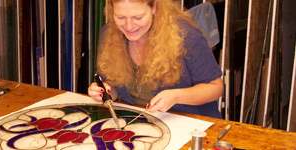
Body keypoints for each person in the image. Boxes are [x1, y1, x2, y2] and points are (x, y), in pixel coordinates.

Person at [88, 0, 224, 119]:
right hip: (141, 125)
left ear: (154, 7)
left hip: (192, 127)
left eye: (138, 17)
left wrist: (176, 96)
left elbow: (216, 88)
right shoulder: (110, 35)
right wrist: (105, 92)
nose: (129, 26)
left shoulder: (185, 36)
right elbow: (113, 86)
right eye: (120, 17)